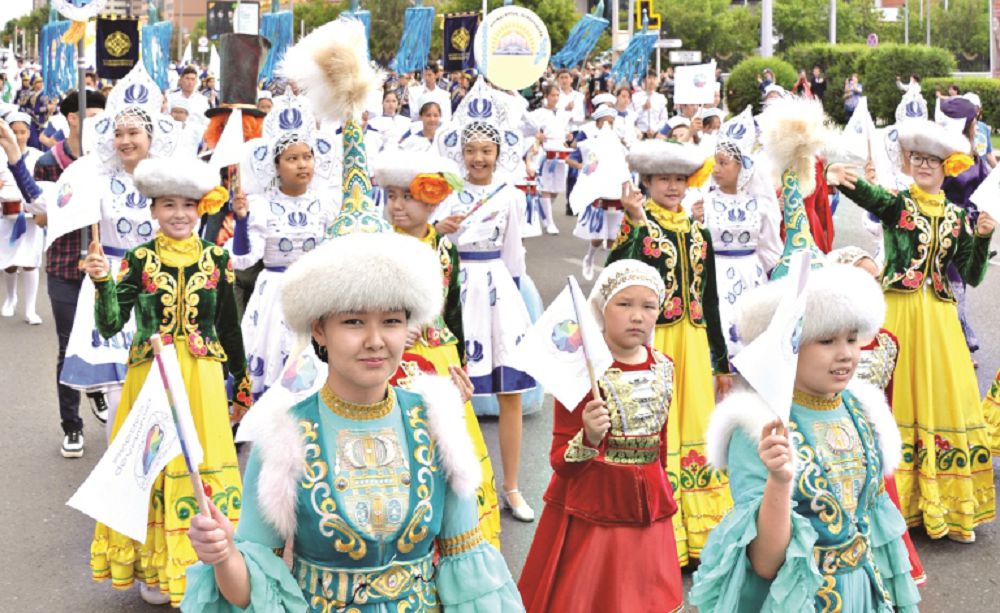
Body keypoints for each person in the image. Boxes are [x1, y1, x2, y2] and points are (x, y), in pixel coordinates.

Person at [689, 263, 921, 612]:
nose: (846, 354)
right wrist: (780, 481)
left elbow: (876, 530)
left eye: (852, 339)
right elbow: (765, 563)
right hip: (798, 600)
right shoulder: (759, 428)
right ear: (789, 346)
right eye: (827, 340)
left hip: (863, 594)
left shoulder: (862, 409)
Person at [81, 155, 250, 606]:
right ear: (153, 209)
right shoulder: (139, 259)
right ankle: (156, 568)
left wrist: (242, 379)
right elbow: (112, 324)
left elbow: (228, 325)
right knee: (153, 463)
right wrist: (102, 283)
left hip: (202, 378)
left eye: (188, 205)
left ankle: (208, 562)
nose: (179, 214)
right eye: (168, 204)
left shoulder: (217, 258)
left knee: (202, 464)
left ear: (201, 209)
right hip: (152, 377)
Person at [826, 119, 997, 542]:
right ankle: (893, 501)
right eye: (917, 158)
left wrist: (981, 237)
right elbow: (872, 196)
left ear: (946, 167)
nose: (923, 165)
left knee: (941, 398)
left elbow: (973, 274)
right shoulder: (899, 204)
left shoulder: (957, 217)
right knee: (895, 395)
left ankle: (945, 506)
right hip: (899, 314)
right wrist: (840, 178)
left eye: (931, 161)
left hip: (939, 320)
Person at [518, 260, 683, 613]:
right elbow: (560, 461)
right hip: (595, 513)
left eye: (648, 306)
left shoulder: (665, 367)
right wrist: (589, 438)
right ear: (602, 309)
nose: (637, 316)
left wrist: (664, 490)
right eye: (624, 304)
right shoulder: (582, 373)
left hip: (650, 512)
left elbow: (661, 444)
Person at [607, 140, 734, 564]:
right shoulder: (639, 225)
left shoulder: (699, 233)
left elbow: (710, 299)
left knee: (695, 426)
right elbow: (614, 273)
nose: (673, 187)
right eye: (664, 179)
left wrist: (721, 362)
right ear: (646, 181)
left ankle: (700, 533)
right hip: (655, 341)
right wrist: (635, 222)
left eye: (680, 179)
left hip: (694, 344)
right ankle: (659, 531)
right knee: (655, 425)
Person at [374, 150, 502, 548]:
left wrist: (460, 363)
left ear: (431, 200)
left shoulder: (446, 249)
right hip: (394, 358)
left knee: (450, 441)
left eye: (407, 197)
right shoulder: (380, 247)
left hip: (440, 355)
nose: (397, 205)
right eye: (391, 196)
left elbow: (454, 311)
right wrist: (393, 330)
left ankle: (459, 532)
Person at [433, 118, 537, 522]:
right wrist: (439, 230)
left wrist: (513, 305)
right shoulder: (446, 192)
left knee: (510, 392)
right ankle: (454, 485)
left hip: (497, 292)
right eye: (471, 150)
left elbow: (514, 255)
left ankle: (511, 485)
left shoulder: (510, 195)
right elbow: (431, 243)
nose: (478, 158)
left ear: (498, 154)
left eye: (486, 151)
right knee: (449, 393)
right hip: (455, 290)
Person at [1, 88, 107, 456]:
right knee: (68, 344)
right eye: (92, 117)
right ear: (72, 119)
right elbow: (38, 210)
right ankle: (72, 425)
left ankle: (98, 389)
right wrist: (60, 212)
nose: (99, 125)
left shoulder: (108, 161)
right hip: (63, 264)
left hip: (104, 266)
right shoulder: (49, 161)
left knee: (106, 339)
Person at [230, 92, 341, 402]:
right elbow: (243, 259)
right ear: (276, 166)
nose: (302, 164)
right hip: (275, 296)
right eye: (292, 159)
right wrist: (241, 221)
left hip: (317, 293)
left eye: (307, 157)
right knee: (276, 369)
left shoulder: (326, 204)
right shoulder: (261, 205)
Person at [828, 246, 927, 585]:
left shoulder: (889, 343)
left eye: (875, 280)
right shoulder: (818, 343)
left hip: (871, 449)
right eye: (861, 280)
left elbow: (887, 403)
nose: (871, 288)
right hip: (833, 450)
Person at [696, 110, 782, 358]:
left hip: (751, 277)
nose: (716, 169)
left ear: (742, 166)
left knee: (750, 336)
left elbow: (770, 248)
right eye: (715, 162)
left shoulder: (760, 206)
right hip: (714, 275)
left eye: (723, 163)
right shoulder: (702, 203)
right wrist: (694, 221)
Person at [0, 112, 44, 324]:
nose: (18, 136)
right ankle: (10, 298)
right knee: (9, 261)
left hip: (31, 216)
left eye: (22, 132)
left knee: (30, 261)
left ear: (29, 133)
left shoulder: (38, 156)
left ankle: (30, 309)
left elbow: (44, 185)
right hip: (5, 212)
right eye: (14, 132)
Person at [527, 84, 571, 234]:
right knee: (545, 186)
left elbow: (565, 131)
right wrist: (537, 136)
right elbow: (528, 128)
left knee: (556, 189)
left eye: (557, 95)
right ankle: (549, 222)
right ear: (546, 96)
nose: (555, 98)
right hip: (546, 151)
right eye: (552, 95)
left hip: (561, 152)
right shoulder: (538, 113)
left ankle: (544, 210)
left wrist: (568, 136)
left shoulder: (563, 113)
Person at [632, 72, 668, 139]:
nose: (652, 81)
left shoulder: (661, 98)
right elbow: (630, 118)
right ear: (643, 81)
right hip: (639, 134)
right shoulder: (635, 97)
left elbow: (664, 119)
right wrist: (642, 109)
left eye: (654, 79)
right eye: (649, 78)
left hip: (655, 134)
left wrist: (654, 129)